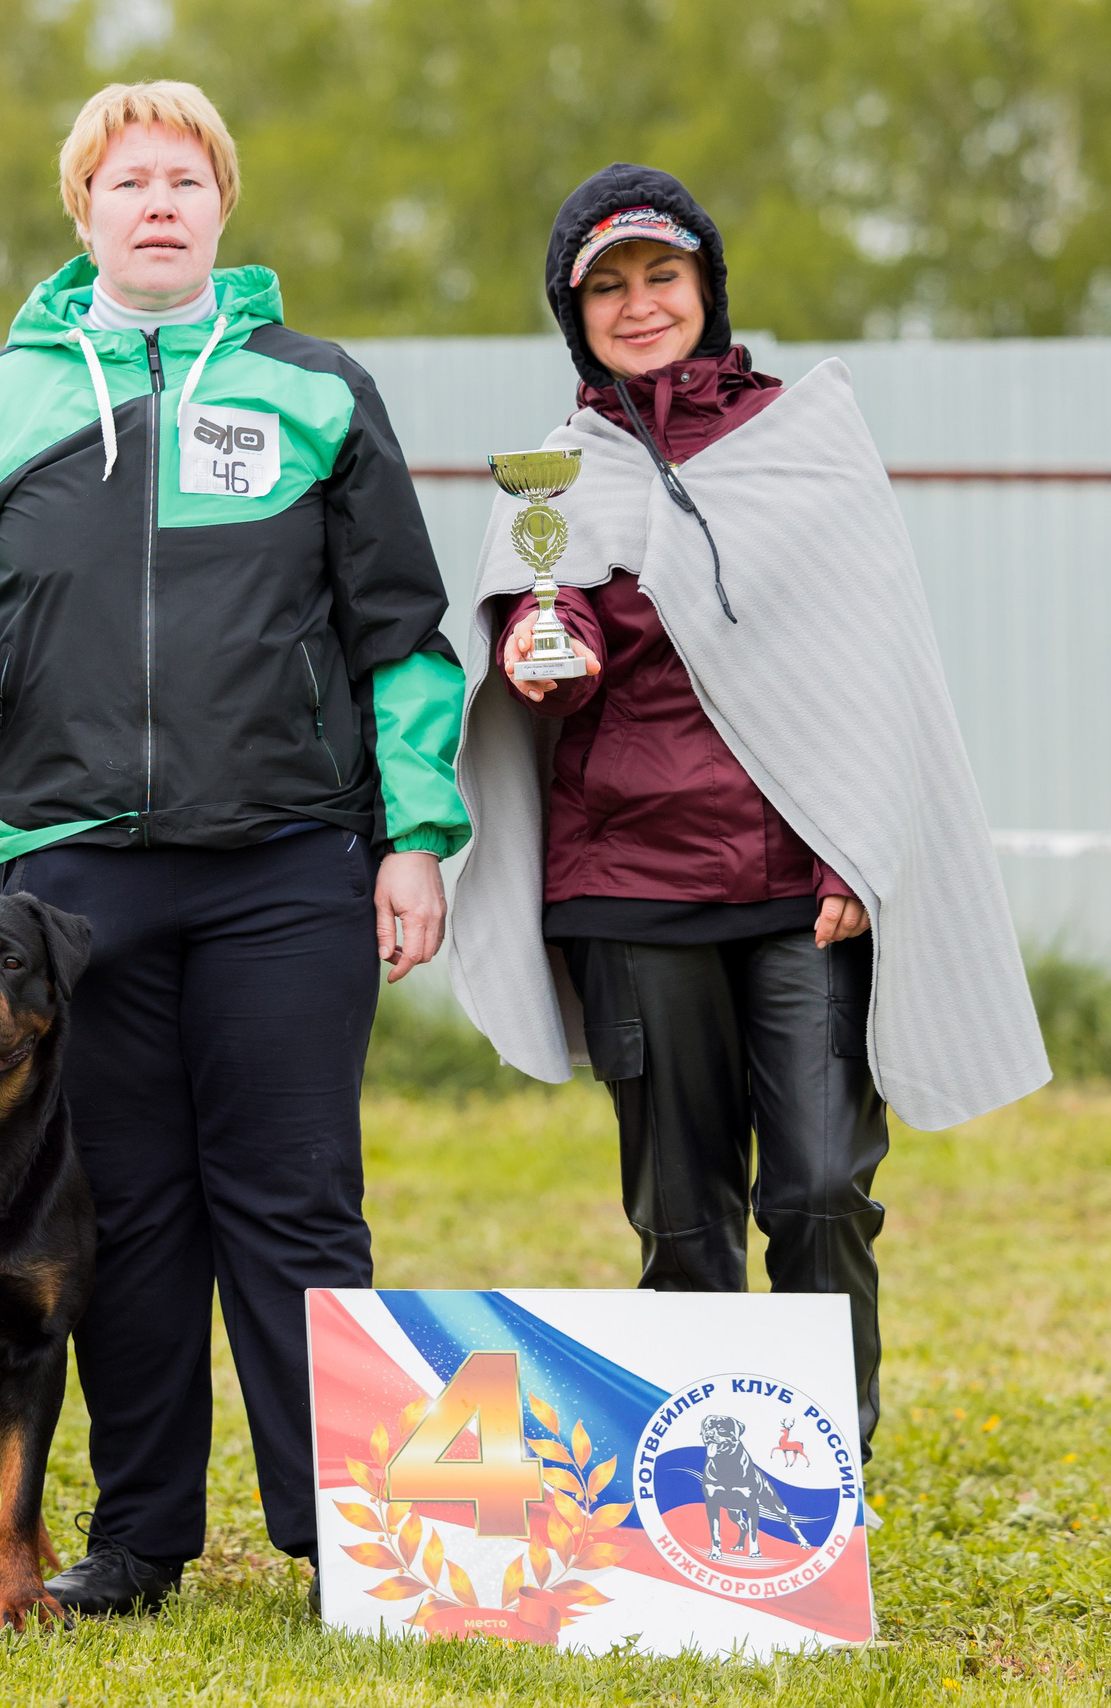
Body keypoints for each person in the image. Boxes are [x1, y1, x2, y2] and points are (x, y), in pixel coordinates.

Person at [0, 81, 469, 1616]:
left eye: (184, 180)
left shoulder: (314, 390)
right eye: (127, 179)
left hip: (288, 865)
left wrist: (414, 835)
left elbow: (400, 631)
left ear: (222, 208)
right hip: (66, 883)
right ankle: (139, 1545)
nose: (157, 202)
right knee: (123, 1213)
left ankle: (351, 1543)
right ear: (83, 210)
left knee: (298, 1205)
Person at [448, 165, 1049, 1457]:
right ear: (574, 316)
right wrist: (543, 650)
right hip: (628, 888)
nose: (640, 304)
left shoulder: (805, 441)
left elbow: (874, 667)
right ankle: (698, 1492)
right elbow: (542, 645)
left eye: (662, 275)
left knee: (824, 1190)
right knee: (682, 1218)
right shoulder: (555, 476)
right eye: (607, 287)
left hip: (797, 888)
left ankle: (827, 1479)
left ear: (707, 287)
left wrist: (859, 850)